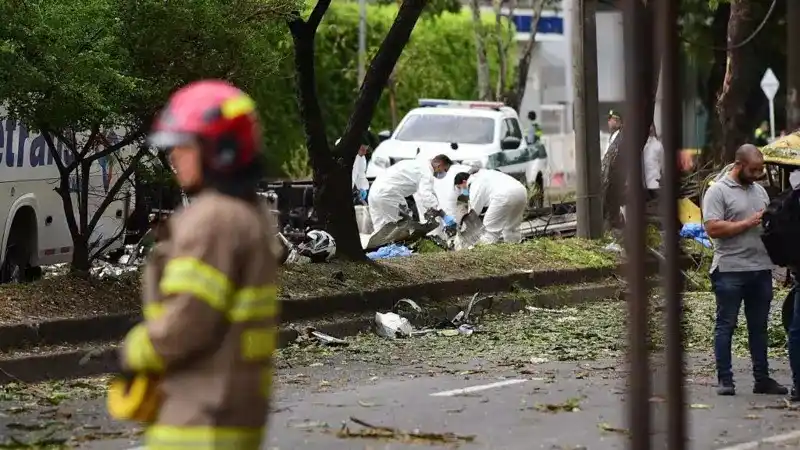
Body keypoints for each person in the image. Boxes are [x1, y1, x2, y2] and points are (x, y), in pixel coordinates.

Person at [116, 80, 279, 448]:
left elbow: (189, 320)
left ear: (222, 151)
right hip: (230, 413)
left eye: (185, 145)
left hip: (196, 421)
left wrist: (137, 348)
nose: (175, 156)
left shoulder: (213, 220)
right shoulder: (247, 215)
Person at [702, 144, 786, 396]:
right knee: (726, 325)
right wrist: (748, 223)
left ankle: (762, 379)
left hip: (760, 268)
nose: (758, 174)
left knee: (759, 327)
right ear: (739, 165)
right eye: (754, 170)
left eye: (761, 170)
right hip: (730, 269)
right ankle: (725, 379)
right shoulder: (717, 191)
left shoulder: (759, 191)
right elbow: (712, 228)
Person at [369, 157, 453, 232]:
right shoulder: (426, 172)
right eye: (445, 170)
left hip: (374, 191)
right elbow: (426, 196)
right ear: (439, 165)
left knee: (380, 229)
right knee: (404, 225)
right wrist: (443, 215)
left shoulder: (416, 163)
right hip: (389, 194)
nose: (444, 173)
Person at [454, 169, 527, 244]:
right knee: (511, 228)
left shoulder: (474, 184)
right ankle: (514, 247)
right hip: (521, 192)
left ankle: (484, 250)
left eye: (460, 187)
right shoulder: (485, 174)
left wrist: (464, 227)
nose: (462, 190)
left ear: (464, 182)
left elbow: (474, 212)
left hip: (503, 196)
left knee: (489, 232)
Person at [430, 154, 474, 221]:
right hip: (450, 203)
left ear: (440, 165)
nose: (435, 170)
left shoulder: (455, 171)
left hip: (452, 203)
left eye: (436, 167)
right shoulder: (456, 169)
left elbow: (450, 200)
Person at [336, 137, 369, 203]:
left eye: (366, 150)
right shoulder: (341, 156)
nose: (365, 152)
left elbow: (361, 174)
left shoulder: (361, 158)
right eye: (363, 149)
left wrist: (362, 187)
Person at [643, 123, 664, 199]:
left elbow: (662, 164)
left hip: (654, 186)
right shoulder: (638, 145)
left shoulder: (658, 145)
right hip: (641, 187)